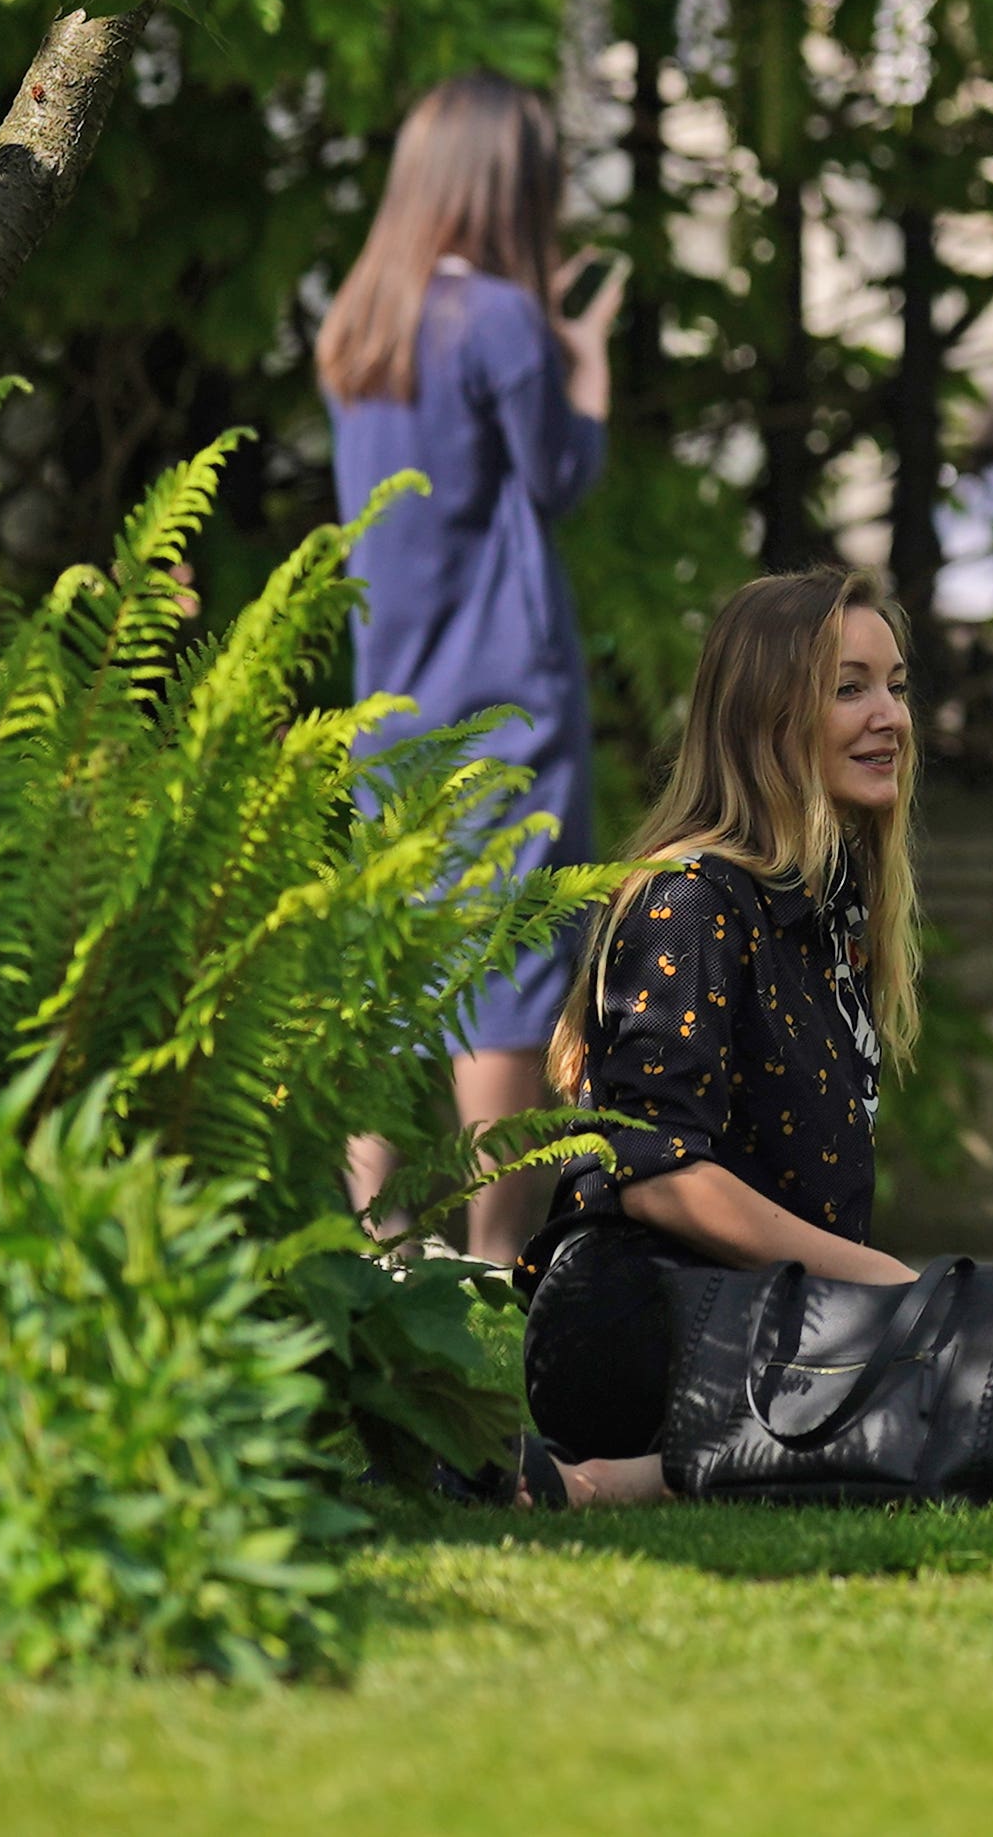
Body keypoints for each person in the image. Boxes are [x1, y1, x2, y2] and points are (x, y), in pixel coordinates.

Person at [513, 569, 993, 1506]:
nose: (890, 716)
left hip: (781, 1321)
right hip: (639, 1324)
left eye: (896, 684)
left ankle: (760, 1461)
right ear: (763, 717)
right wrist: (900, 1292)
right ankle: (618, 1482)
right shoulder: (690, 897)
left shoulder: (825, 911)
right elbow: (658, 1179)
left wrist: (890, 1307)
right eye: (849, 687)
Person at [323, 73, 631, 1264]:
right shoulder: (503, 320)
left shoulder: (363, 316)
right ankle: (495, 1261)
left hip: (396, 702)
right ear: (510, 187)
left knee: (395, 972)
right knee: (506, 968)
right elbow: (555, 475)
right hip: (504, 696)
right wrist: (582, 358)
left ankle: (378, 1247)